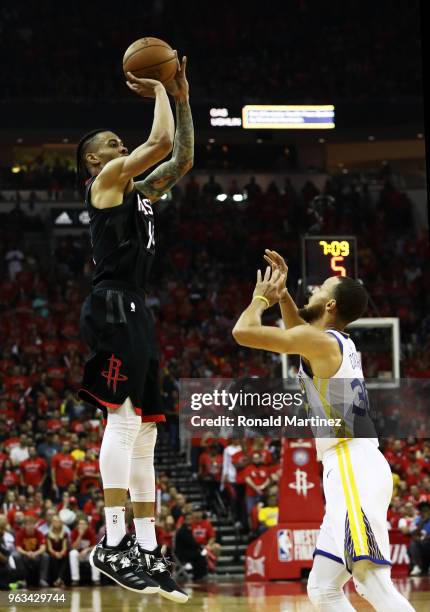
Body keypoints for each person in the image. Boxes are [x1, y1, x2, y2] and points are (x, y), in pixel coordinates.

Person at [232, 250, 414, 611]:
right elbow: (299, 329)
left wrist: (261, 299)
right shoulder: (333, 343)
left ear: (330, 303)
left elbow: (243, 332)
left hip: (351, 464)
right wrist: (283, 296)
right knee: (323, 589)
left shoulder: (324, 343)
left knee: (370, 579)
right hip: (351, 465)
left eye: (319, 288)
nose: (311, 290)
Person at [75, 54, 193, 602]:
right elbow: (161, 141)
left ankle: (145, 545)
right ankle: (113, 539)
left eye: (123, 145)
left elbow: (182, 155)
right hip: (111, 303)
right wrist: (162, 87)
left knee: (146, 429)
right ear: (92, 160)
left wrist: (184, 96)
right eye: (113, 144)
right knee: (123, 421)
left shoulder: (141, 191)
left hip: (136, 308)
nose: (123, 148)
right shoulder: (106, 181)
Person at [13, 515, 49, 587]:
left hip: (36, 555)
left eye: (32, 524)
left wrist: (35, 553)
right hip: (24, 555)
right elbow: (18, 548)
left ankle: (42, 579)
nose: (30, 526)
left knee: (45, 556)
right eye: (28, 525)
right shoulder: (20, 533)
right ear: (25, 525)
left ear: (35, 525)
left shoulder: (39, 533)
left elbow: (43, 547)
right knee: (16, 556)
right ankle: (22, 580)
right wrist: (27, 553)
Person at [174, 513, 208, 580]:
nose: (190, 520)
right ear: (184, 520)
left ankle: (198, 574)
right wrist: (200, 548)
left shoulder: (186, 528)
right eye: (188, 519)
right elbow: (191, 542)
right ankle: (198, 575)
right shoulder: (184, 529)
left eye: (190, 519)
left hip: (184, 551)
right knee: (200, 556)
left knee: (199, 554)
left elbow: (191, 543)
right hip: (182, 553)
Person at [69, 518, 99, 586]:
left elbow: (95, 545)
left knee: (96, 554)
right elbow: (74, 547)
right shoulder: (74, 532)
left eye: (84, 524)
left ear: (87, 525)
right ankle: (75, 579)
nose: (82, 526)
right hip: (78, 555)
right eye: (80, 524)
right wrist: (80, 535)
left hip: (88, 554)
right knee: (72, 553)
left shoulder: (91, 532)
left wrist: (86, 550)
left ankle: (96, 579)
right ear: (77, 525)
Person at [46, 514, 69, 587]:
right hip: (52, 552)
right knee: (52, 558)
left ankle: (60, 579)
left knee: (65, 557)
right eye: (55, 521)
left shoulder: (64, 534)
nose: (56, 523)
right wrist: (56, 553)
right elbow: (49, 548)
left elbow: (64, 547)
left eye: (58, 521)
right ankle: (57, 579)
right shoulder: (48, 534)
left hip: (61, 551)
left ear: (61, 523)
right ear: (52, 523)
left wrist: (61, 553)